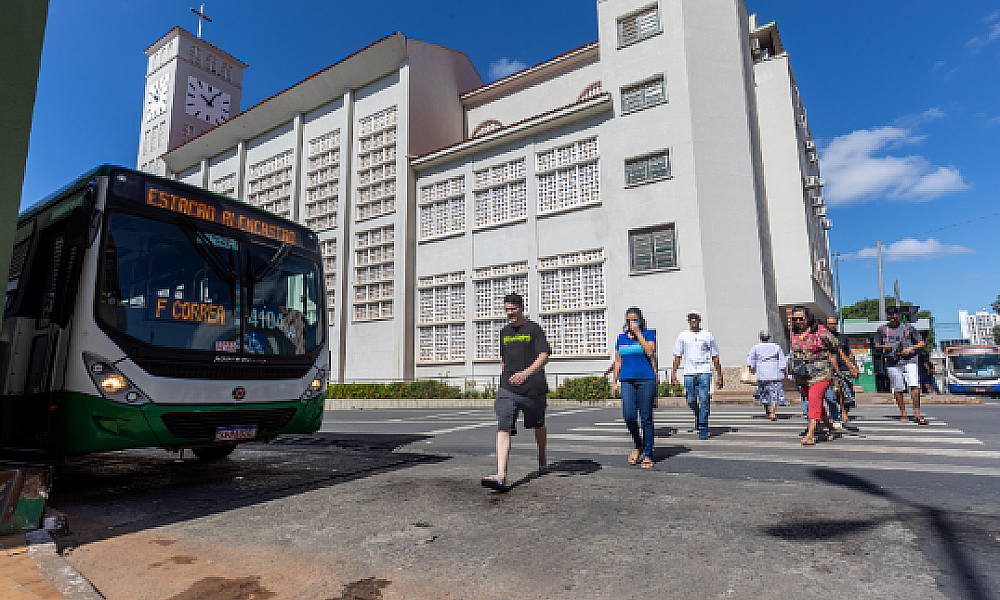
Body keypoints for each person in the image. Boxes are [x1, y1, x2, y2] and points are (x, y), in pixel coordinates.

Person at [481, 293, 551, 492]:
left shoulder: (534, 329)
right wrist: (508, 377)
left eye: (513, 309)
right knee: (503, 426)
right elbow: (504, 359)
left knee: (538, 425)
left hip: (533, 389)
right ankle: (501, 475)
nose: (510, 313)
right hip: (508, 388)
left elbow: (544, 356)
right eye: (507, 310)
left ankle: (542, 458)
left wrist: (526, 374)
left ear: (521, 308)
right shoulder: (504, 332)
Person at [612, 307, 657, 469]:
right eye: (629, 320)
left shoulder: (648, 335)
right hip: (627, 381)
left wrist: (638, 333)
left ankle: (648, 453)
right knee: (629, 416)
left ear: (640, 320)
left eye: (634, 320)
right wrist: (614, 382)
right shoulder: (621, 338)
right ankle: (638, 445)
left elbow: (650, 352)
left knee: (646, 418)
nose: (631, 323)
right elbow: (618, 361)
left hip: (646, 379)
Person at [788, 306, 839, 445]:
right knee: (815, 405)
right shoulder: (793, 332)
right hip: (803, 375)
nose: (798, 322)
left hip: (821, 373)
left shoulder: (819, 329)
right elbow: (794, 352)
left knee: (814, 400)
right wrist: (792, 371)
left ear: (808, 318)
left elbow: (835, 345)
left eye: (801, 319)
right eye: (795, 319)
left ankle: (810, 435)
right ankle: (832, 429)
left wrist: (825, 336)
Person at [671, 310, 723, 440]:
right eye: (691, 319)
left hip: (704, 370)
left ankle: (703, 427)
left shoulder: (708, 335)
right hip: (689, 372)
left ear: (699, 320)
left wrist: (719, 376)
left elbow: (715, 356)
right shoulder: (683, 336)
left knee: (704, 399)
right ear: (688, 321)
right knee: (690, 400)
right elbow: (678, 355)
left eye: (695, 318)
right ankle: (699, 415)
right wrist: (673, 373)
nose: (693, 321)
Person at [875, 306, 928, 424]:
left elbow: (921, 343)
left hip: (910, 360)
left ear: (898, 315)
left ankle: (917, 413)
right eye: (890, 316)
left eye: (894, 315)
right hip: (892, 362)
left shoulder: (908, 328)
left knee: (914, 385)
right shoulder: (881, 329)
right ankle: (903, 413)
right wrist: (884, 347)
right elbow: (877, 344)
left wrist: (910, 349)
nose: (892, 318)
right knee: (898, 388)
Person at [824, 317, 860, 426]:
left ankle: (844, 409)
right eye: (830, 324)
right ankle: (842, 413)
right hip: (828, 368)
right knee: (836, 390)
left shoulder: (843, 337)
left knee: (847, 391)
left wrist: (855, 366)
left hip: (843, 367)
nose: (832, 326)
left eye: (834, 323)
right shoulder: (823, 338)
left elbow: (849, 353)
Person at [746, 330, 787, 421]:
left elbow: (750, 358)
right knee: (774, 393)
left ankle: (767, 412)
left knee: (764, 393)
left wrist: (751, 367)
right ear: (769, 337)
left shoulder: (756, 347)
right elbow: (782, 360)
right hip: (774, 372)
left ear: (760, 337)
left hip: (762, 373)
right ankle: (773, 413)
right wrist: (783, 369)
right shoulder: (776, 347)